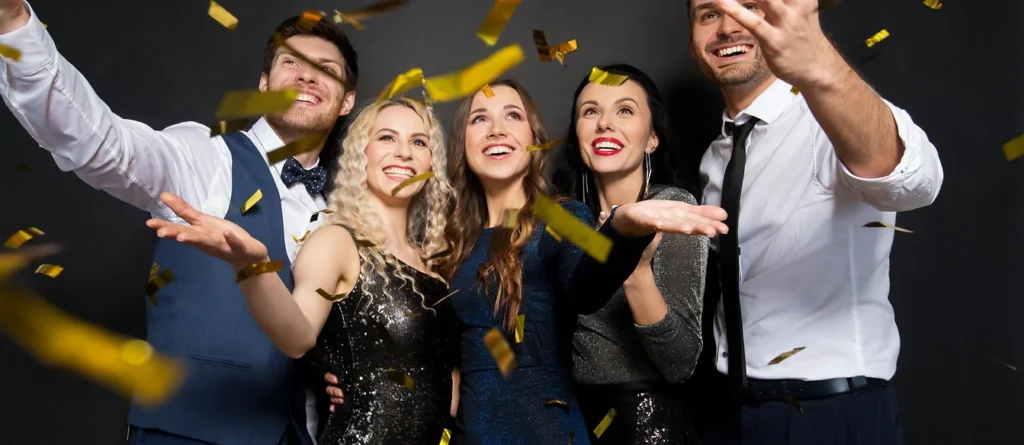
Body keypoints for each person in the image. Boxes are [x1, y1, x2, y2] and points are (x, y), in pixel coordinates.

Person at [0, 1, 359, 443]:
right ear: (265, 83)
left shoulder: (341, 216)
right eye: (291, 63)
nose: (306, 76)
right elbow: (102, 143)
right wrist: (14, 24)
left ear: (347, 100)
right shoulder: (205, 157)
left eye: (325, 69)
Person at [685, 1, 944, 444]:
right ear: (693, 40)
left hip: (830, 415)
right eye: (708, 14)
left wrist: (819, 63)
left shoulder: (833, 119)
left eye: (748, 7)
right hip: (733, 413)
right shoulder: (717, 155)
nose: (728, 28)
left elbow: (915, 183)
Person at [146, 98, 461, 445]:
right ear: (362, 154)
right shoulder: (337, 242)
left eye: (419, 141)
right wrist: (252, 267)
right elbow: (297, 337)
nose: (404, 152)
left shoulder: (435, 274)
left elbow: (446, 392)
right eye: (387, 138)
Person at [435, 79, 728, 445]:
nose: (497, 130)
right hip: (468, 434)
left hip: (546, 434)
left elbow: (588, 286)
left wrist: (622, 227)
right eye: (480, 119)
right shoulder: (452, 237)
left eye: (513, 116)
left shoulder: (561, 216)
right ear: (463, 141)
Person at [551, 63, 708, 444]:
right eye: (591, 111)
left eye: (625, 110)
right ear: (578, 133)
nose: (605, 123)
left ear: (652, 138)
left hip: (648, 427)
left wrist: (637, 271)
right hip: (574, 425)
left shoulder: (671, 210)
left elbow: (680, 364)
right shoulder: (567, 222)